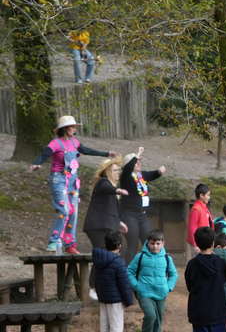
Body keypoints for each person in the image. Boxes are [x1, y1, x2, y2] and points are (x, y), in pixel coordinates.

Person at [30, 115, 114, 253]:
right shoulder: (55, 143)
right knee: (64, 210)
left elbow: (86, 150)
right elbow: (44, 155)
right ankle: (53, 241)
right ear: (64, 129)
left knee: (73, 212)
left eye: (75, 127)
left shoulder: (75, 142)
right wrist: (36, 164)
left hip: (73, 181)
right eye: (73, 127)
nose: (75, 129)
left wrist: (106, 154)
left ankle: (70, 244)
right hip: (59, 180)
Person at [127, 229, 178, 332]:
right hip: (144, 292)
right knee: (151, 315)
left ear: (163, 243)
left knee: (158, 319)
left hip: (161, 293)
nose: (155, 246)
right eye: (152, 243)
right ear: (147, 243)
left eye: (158, 243)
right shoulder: (140, 257)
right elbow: (129, 272)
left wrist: (168, 287)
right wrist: (137, 286)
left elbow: (173, 274)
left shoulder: (167, 258)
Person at [184, 226, 226, 332]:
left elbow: (189, 286)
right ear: (213, 243)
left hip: (199, 311)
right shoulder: (221, 263)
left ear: (197, 244)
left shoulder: (192, 264)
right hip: (218, 310)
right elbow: (225, 280)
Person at [83, 157, 129, 293]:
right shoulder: (103, 183)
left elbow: (109, 209)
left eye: (118, 170)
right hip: (98, 227)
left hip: (107, 225)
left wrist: (119, 222)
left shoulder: (110, 189)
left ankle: (101, 284)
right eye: (115, 170)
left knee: (118, 251)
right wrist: (118, 191)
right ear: (108, 172)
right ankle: (94, 287)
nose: (117, 173)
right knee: (102, 253)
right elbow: (107, 188)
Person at [119, 147, 165, 265]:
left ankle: (149, 268)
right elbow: (128, 168)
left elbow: (152, 174)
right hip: (129, 215)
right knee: (133, 245)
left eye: (140, 161)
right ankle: (128, 276)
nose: (138, 163)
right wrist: (138, 153)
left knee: (150, 241)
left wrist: (159, 172)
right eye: (136, 161)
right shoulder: (126, 177)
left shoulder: (141, 176)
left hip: (142, 216)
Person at [92, 231, 133, 332]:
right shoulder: (119, 262)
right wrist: (128, 300)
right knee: (116, 326)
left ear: (105, 245)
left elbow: (97, 280)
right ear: (119, 247)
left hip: (103, 298)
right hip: (116, 300)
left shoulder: (98, 260)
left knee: (104, 326)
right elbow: (124, 283)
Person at [187, 184, 212, 261]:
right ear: (201, 195)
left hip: (204, 240)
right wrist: (195, 244)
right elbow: (192, 227)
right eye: (208, 195)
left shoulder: (204, 207)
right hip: (198, 242)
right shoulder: (196, 209)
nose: (209, 197)